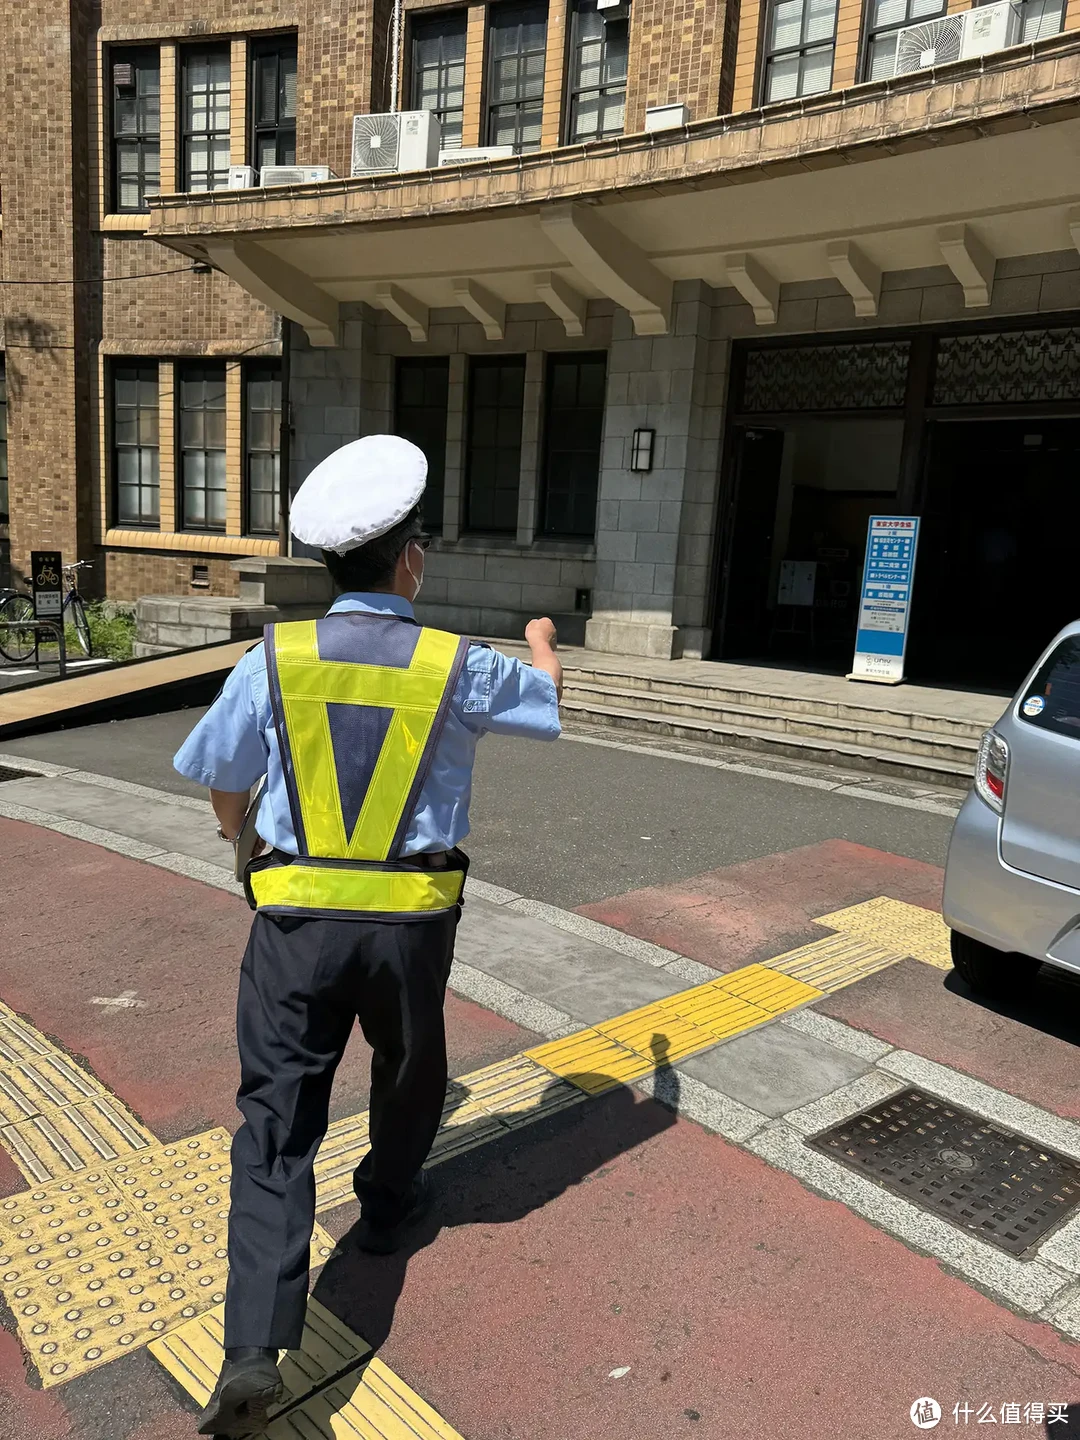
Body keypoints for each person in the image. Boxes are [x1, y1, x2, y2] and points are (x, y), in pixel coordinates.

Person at [173, 433, 562, 1438]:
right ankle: (387, 1210)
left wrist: (239, 843)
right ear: (411, 560)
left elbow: (216, 769)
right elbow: (548, 706)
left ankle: (254, 1347)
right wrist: (542, 644)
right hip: (409, 927)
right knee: (406, 1065)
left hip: (294, 925)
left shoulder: (278, 655)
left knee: (275, 1123)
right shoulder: (455, 664)